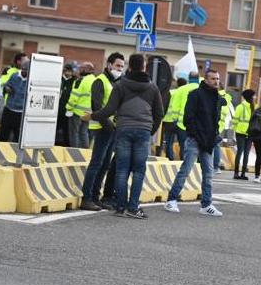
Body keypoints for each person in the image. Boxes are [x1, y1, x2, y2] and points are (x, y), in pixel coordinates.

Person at [90, 54, 163, 218]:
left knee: (121, 169)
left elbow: (109, 110)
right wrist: (150, 130)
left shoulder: (120, 85)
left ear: (129, 67)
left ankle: (120, 207)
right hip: (143, 132)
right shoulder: (152, 88)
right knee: (138, 171)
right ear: (144, 67)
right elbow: (159, 113)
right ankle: (133, 207)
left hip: (123, 130)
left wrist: (92, 116)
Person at [164, 69, 223, 217]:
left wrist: (214, 136)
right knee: (185, 170)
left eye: (217, 79)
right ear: (206, 80)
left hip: (208, 141)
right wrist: (196, 134)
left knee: (208, 174)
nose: (216, 81)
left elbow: (215, 120)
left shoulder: (217, 97)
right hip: (195, 140)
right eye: (213, 79)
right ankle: (171, 200)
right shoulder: (195, 94)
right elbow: (188, 118)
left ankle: (206, 204)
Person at [79, 53, 124, 210]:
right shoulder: (100, 81)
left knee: (105, 164)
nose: (120, 69)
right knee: (96, 163)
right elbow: (97, 106)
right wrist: (109, 125)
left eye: (122, 66)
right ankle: (86, 198)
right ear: (109, 65)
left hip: (112, 129)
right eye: (118, 65)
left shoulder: (116, 82)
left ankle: (95, 197)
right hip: (101, 128)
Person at [0, 57, 30, 143]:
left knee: (18, 136)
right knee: (2, 134)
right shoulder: (14, 76)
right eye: (23, 69)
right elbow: (7, 85)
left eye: (26, 70)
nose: (24, 71)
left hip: (20, 113)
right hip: (9, 109)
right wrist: (7, 88)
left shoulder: (30, 80)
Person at [66, 64, 94, 149]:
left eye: (81, 68)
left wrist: (69, 108)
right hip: (88, 112)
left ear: (86, 69)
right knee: (84, 133)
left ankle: (75, 153)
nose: (78, 70)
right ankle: (85, 152)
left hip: (76, 112)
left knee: (74, 133)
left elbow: (74, 96)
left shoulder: (80, 80)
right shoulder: (95, 80)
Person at [162, 78, 188, 159]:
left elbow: (164, 105)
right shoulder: (186, 93)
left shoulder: (171, 92)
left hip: (168, 120)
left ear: (177, 84)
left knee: (169, 141)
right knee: (182, 143)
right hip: (180, 121)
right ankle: (183, 159)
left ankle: (170, 158)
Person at [232, 89, 255, 180]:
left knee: (242, 153)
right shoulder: (244, 107)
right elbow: (235, 120)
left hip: (242, 132)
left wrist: (235, 131)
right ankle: (240, 173)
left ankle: (239, 173)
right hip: (244, 133)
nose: (254, 97)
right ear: (250, 97)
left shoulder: (244, 107)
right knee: (244, 153)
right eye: (253, 96)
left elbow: (235, 121)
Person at [214, 84, 233, 173]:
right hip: (221, 124)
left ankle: (215, 166)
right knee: (216, 145)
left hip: (214, 123)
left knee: (214, 145)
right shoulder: (227, 97)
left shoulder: (216, 95)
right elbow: (231, 112)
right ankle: (216, 167)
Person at [56, 63, 75, 146]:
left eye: (69, 71)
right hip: (58, 109)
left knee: (67, 130)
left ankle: (67, 146)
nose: (67, 73)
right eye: (66, 70)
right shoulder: (59, 79)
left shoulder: (74, 81)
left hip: (68, 110)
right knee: (55, 128)